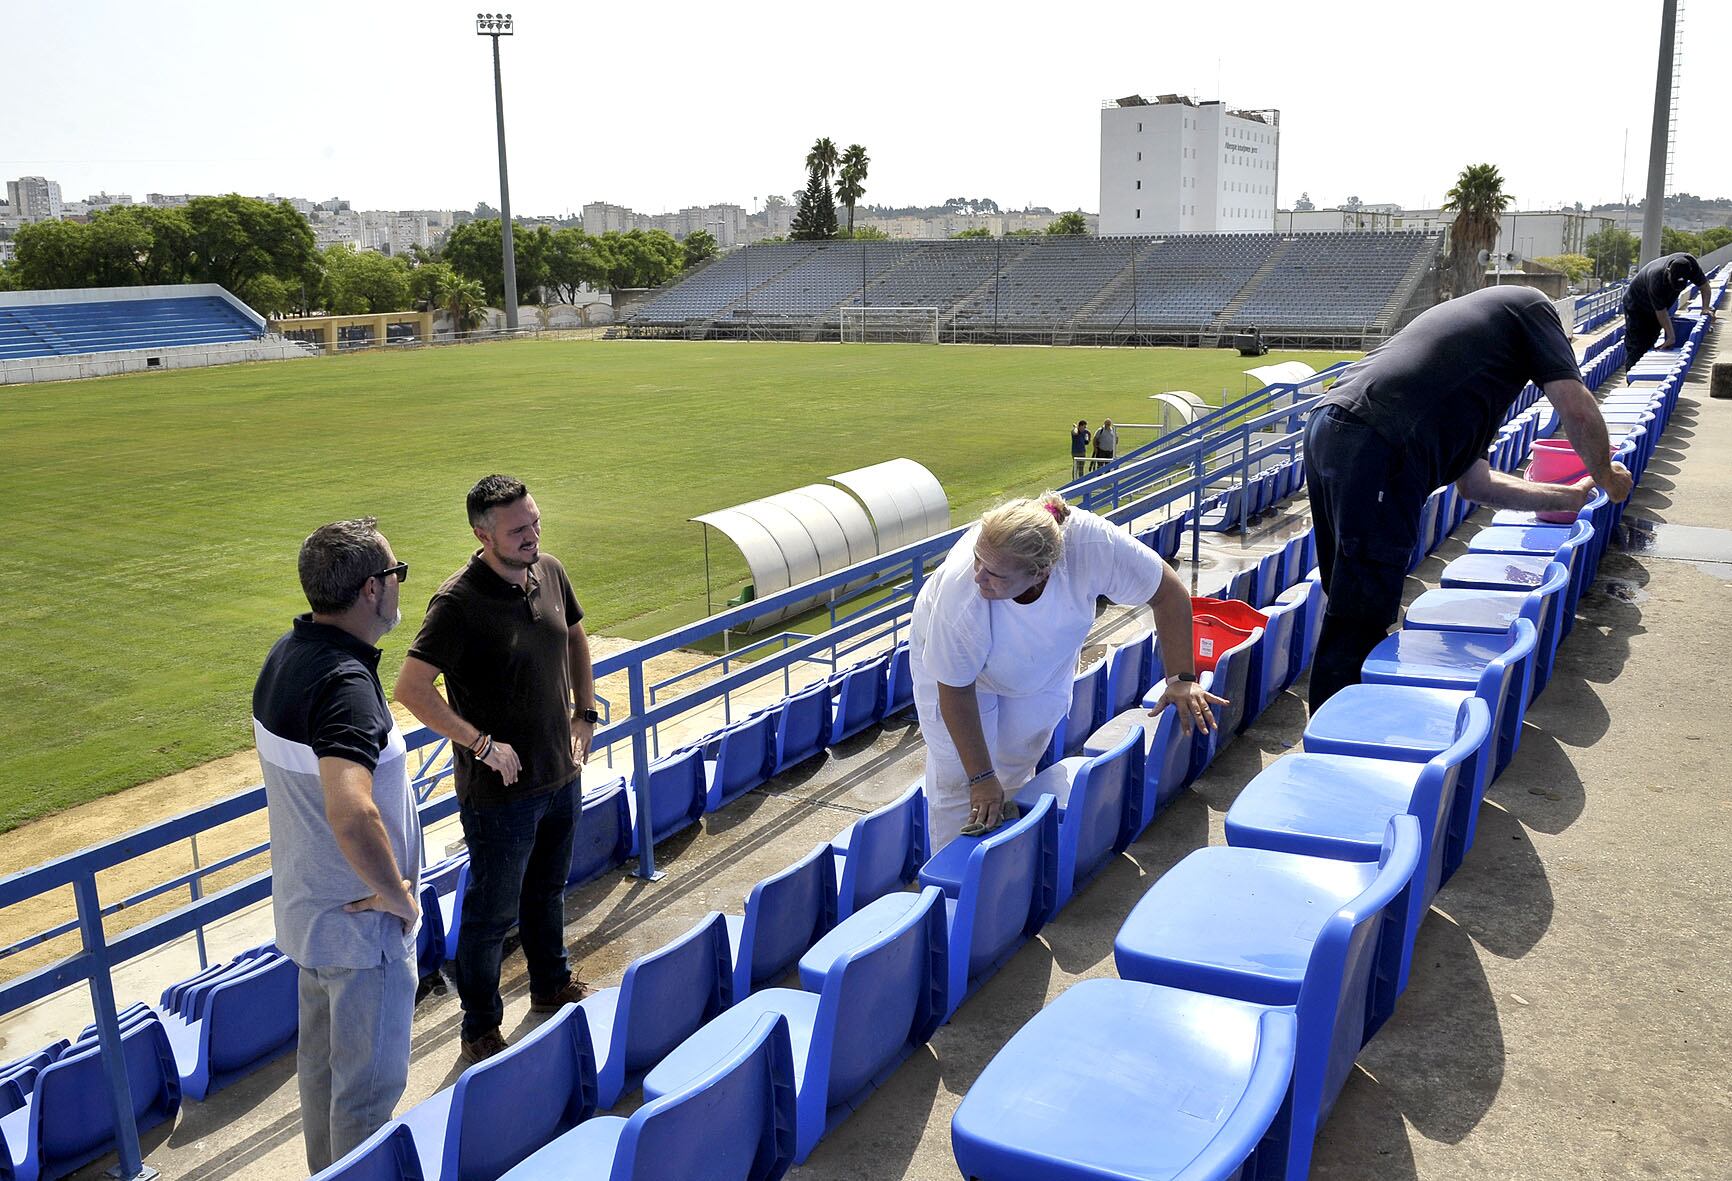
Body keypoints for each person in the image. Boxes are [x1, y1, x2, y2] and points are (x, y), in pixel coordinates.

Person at [1304, 285, 1633, 711]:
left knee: (1350, 595)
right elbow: (1577, 409)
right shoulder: (1533, 306)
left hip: (1334, 427)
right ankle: (1341, 734)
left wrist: (1568, 496)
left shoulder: (1474, 374)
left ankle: (1347, 716)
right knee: (1360, 607)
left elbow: (1477, 485)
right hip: (1378, 440)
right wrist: (1605, 475)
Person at [395, 475, 598, 1063]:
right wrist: (481, 744)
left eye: (535, 521)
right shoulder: (457, 603)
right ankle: (481, 1026)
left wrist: (585, 711)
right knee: (489, 918)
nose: (533, 535)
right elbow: (412, 688)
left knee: (549, 892)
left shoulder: (551, 570)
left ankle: (550, 983)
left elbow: (576, 638)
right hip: (501, 794)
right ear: (483, 535)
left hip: (562, 774)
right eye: (518, 529)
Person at [909, 493, 1225, 849]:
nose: (978, 575)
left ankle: (1003, 865)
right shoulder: (962, 592)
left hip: (1038, 663)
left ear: (1040, 573)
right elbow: (954, 689)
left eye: (994, 573)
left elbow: (1168, 593)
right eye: (977, 560)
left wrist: (1181, 679)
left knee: (1016, 765)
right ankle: (953, 882)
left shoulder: (1093, 545)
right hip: (959, 675)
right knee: (960, 779)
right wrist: (980, 777)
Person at [253, 518, 420, 1174]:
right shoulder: (346, 684)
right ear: (372, 590)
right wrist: (395, 894)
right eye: (397, 573)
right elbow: (352, 810)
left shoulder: (284, 655)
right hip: (361, 939)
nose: (400, 584)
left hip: (310, 923)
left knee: (322, 1083)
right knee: (364, 1100)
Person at [1622, 252, 1714, 368]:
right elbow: (1661, 312)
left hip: (1659, 304)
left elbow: (1705, 286)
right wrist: (1671, 336)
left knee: (1653, 337)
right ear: (1668, 271)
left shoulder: (1690, 264)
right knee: (1638, 343)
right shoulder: (1656, 278)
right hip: (1636, 304)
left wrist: (1705, 308)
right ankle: (1631, 377)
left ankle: (1645, 367)